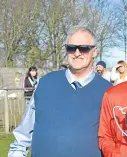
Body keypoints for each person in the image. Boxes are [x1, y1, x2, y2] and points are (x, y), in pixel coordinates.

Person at [8, 26, 112, 157]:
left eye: (84, 48)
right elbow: (22, 137)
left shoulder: (108, 91)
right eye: (71, 48)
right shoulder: (45, 83)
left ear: (95, 51)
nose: (77, 53)